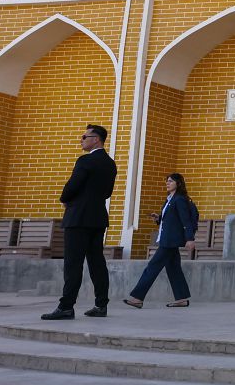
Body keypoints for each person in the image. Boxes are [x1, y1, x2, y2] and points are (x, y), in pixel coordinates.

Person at [43, 125, 118, 321]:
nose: (81, 139)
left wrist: (65, 198)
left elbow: (71, 186)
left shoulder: (85, 161)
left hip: (78, 217)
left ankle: (66, 307)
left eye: (85, 136)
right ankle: (101, 305)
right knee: (96, 262)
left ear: (96, 139)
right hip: (98, 217)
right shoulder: (110, 163)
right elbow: (108, 193)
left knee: (73, 263)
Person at [123, 173, 198, 309]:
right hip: (167, 239)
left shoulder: (179, 200)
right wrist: (158, 218)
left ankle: (138, 298)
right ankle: (181, 298)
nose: (167, 183)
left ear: (178, 183)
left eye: (170, 181)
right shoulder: (170, 199)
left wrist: (190, 239)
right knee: (174, 269)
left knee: (152, 267)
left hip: (169, 241)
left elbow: (185, 220)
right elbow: (171, 220)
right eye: (167, 181)